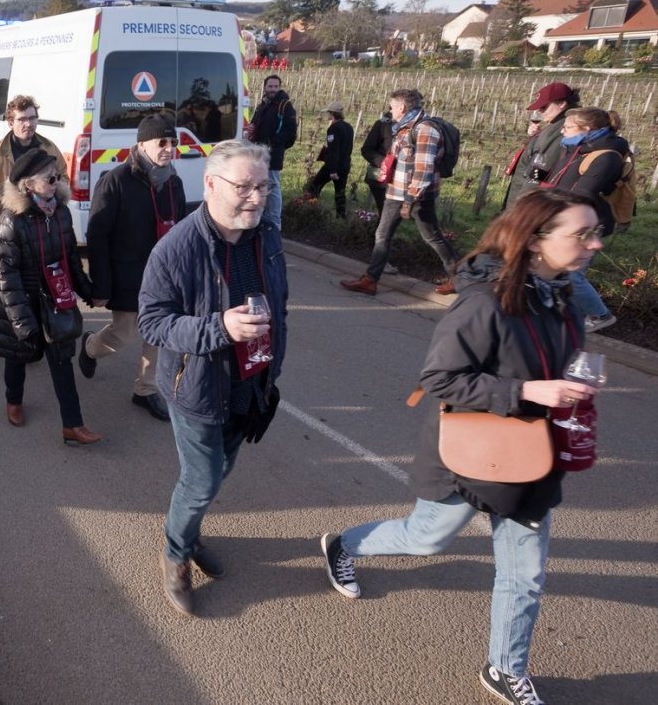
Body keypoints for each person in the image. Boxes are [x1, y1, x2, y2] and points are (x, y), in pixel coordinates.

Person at [320, 190, 601, 705]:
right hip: (470, 456)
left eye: (594, 232)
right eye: (582, 234)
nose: (595, 243)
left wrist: (567, 386)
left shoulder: (561, 294)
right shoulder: (484, 302)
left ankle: (503, 667)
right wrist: (527, 392)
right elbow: (441, 378)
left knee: (526, 576)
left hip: (532, 459)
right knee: (425, 539)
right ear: (535, 239)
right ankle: (345, 545)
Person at [138, 140, 287, 616]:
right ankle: (176, 554)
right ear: (210, 184)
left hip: (250, 383)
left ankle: (191, 530)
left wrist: (270, 367)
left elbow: (277, 304)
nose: (255, 197)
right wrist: (219, 327)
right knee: (201, 481)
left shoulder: (267, 237)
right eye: (243, 186)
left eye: (263, 186)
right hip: (198, 387)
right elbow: (152, 323)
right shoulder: (175, 248)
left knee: (221, 471)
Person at [0, 147, 98, 444]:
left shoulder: (60, 212)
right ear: (28, 184)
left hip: (54, 300)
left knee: (62, 361)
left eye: (57, 176)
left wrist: (88, 292)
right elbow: (7, 276)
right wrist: (23, 323)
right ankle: (14, 400)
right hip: (20, 301)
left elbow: (71, 258)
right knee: (18, 357)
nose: (55, 181)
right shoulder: (12, 221)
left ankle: (72, 425)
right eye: (49, 178)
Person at [78, 113, 187, 421]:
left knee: (156, 335)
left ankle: (145, 389)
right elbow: (97, 237)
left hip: (163, 278)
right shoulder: (115, 182)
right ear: (141, 145)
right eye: (161, 142)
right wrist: (100, 285)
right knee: (124, 334)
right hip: (127, 275)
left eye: (173, 143)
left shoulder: (173, 183)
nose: (169, 149)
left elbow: (179, 231)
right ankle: (89, 347)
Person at [340, 89, 459, 297]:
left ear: (402, 108)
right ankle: (370, 280)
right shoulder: (404, 127)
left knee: (431, 237)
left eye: (392, 106)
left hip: (417, 195)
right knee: (382, 234)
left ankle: (460, 277)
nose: (390, 110)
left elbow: (423, 169)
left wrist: (410, 199)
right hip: (396, 191)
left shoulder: (425, 130)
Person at [539, 107, 630, 332]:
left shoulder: (606, 155)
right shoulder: (578, 148)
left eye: (568, 127)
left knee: (571, 273)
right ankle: (561, 313)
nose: (562, 132)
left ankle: (600, 315)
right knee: (555, 266)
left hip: (588, 223)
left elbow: (583, 194)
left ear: (587, 129)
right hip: (564, 216)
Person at [0, 94, 69, 257]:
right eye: (22, 119)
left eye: (32, 118)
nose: (28, 124)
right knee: (11, 278)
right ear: (11, 123)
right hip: (11, 233)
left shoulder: (49, 148)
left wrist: (54, 205)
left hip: (43, 230)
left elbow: (63, 180)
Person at [503, 83, 578, 211]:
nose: (540, 110)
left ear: (562, 104)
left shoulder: (561, 131)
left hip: (527, 204)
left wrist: (519, 209)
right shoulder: (556, 126)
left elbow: (539, 173)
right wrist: (536, 137)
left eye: (544, 106)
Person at [246, 74, 298, 230]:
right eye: (270, 86)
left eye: (276, 86)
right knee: (260, 184)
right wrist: (252, 128)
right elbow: (255, 122)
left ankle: (275, 223)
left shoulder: (285, 105)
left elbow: (290, 131)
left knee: (273, 187)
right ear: (265, 87)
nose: (273, 89)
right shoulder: (263, 104)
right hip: (258, 152)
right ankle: (262, 219)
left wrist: (273, 144)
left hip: (273, 153)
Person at [304, 102, 354, 218]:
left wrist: (332, 170)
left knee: (314, 187)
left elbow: (333, 150)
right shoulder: (349, 127)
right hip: (345, 164)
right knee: (340, 192)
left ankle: (309, 211)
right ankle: (341, 217)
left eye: (328, 113)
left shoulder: (333, 128)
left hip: (333, 165)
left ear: (332, 114)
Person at [360, 109, 394, 216]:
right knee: (385, 212)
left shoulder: (413, 128)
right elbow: (366, 150)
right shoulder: (382, 125)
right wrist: (386, 164)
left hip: (402, 180)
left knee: (390, 214)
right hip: (380, 177)